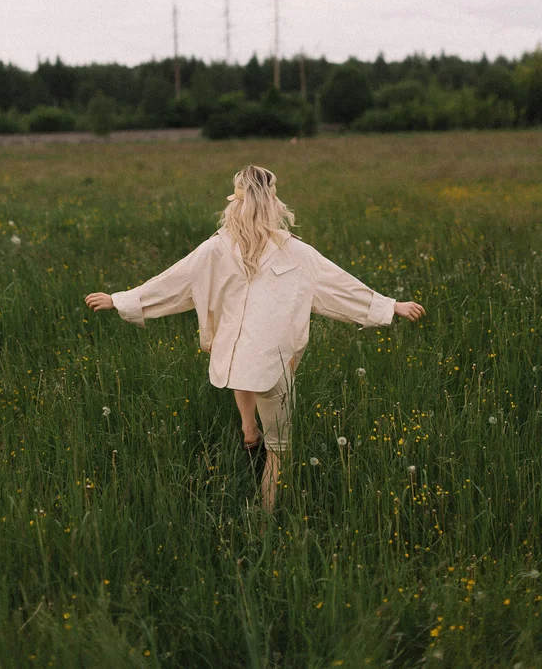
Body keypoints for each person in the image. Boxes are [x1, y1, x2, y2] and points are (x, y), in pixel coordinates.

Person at [85, 165, 425, 512]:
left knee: (240, 352)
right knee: (280, 448)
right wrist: (390, 306)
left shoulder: (220, 248)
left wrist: (120, 299)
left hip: (233, 359)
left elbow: (176, 280)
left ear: (236, 200)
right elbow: (338, 285)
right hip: (272, 362)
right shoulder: (288, 251)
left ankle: (249, 432)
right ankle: (263, 518)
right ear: (273, 201)